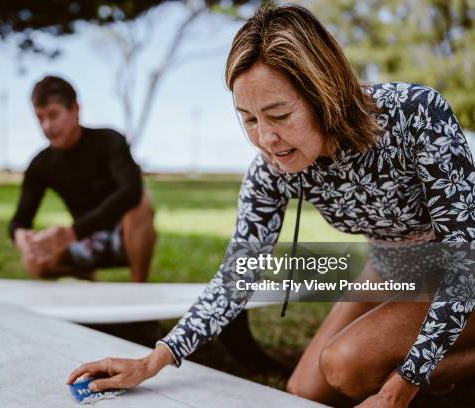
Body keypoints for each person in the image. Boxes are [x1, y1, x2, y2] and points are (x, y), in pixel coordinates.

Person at [67, 4, 475, 407]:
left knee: (347, 365)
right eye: (249, 119)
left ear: (325, 93)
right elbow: (236, 277)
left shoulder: (415, 113)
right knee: (306, 391)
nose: (266, 139)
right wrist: (152, 360)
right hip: (394, 265)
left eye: (279, 114)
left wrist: (400, 386)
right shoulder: (270, 170)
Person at [8, 76, 156, 283]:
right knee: (32, 261)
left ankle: (139, 293)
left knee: (141, 203)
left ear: (75, 109)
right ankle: (86, 282)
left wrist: (71, 233)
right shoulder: (40, 163)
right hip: (84, 241)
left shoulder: (108, 140)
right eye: (40, 118)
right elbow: (19, 220)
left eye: (54, 115)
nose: (47, 126)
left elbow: (131, 191)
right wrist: (21, 238)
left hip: (122, 236)